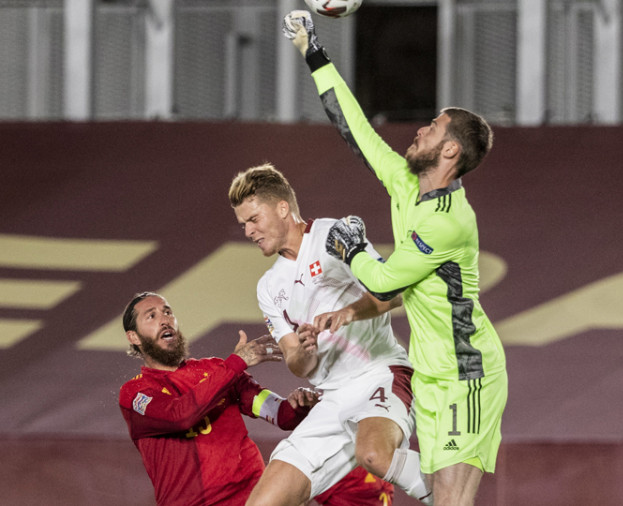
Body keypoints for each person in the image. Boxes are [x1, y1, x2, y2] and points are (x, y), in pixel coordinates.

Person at [283, 11, 508, 506]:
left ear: (449, 151)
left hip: (466, 372)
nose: (419, 130)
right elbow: (355, 128)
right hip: (429, 371)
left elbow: (385, 282)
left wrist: (353, 245)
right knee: (440, 496)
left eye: (432, 127)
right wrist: (314, 52)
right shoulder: (407, 183)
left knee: (449, 499)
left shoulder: (449, 221)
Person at [229, 164, 433, 506]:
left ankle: (453, 494)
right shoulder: (268, 287)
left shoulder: (331, 236)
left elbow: (392, 291)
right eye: (243, 224)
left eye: (253, 219)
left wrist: (348, 312)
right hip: (332, 399)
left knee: (374, 455)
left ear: (282, 207)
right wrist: (307, 350)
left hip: (380, 374)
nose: (248, 231)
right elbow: (296, 361)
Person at [118, 291, 319, 506]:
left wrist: (298, 406)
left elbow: (280, 416)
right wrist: (235, 364)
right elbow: (180, 416)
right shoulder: (135, 393)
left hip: (252, 499)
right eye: (152, 316)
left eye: (168, 312)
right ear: (134, 337)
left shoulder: (216, 369)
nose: (165, 320)